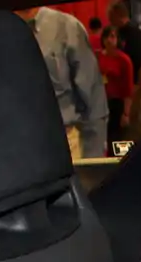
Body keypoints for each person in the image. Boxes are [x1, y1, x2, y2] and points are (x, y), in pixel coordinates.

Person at [17, 7, 109, 159]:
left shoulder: (66, 28)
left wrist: (93, 158)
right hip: (10, 149)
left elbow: (94, 98)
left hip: (64, 146)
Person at [107, 2, 141, 139]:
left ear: (117, 15)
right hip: (128, 91)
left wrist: (137, 92)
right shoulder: (119, 34)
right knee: (127, 132)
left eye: (110, 17)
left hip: (139, 88)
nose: (109, 21)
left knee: (138, 130)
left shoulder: (135, 36)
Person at [98, 25, 135, 141]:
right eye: (106, 37)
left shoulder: (124, 60)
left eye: (112, 37)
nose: (109, 40)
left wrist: (126, 113)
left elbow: (128, 89)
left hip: (117, 104)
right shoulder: (98, 57)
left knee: (116, 139)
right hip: (101, 102)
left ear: (118, 39)